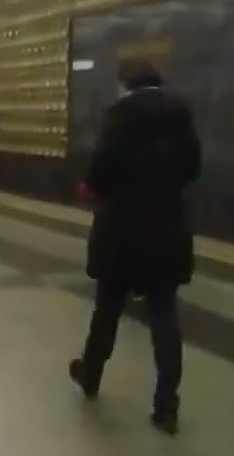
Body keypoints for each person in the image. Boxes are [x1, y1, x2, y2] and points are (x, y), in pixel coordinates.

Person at [68, 59, 201, 435]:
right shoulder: (181, 113)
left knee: (108, 308)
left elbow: (100, 169)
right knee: (164, 315)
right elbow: (193, 168)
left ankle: (91, 374)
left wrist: (94, 188)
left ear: (125, 83)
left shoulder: (119, 114)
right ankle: (166, 405)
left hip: (121, 231)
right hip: (166, 231)